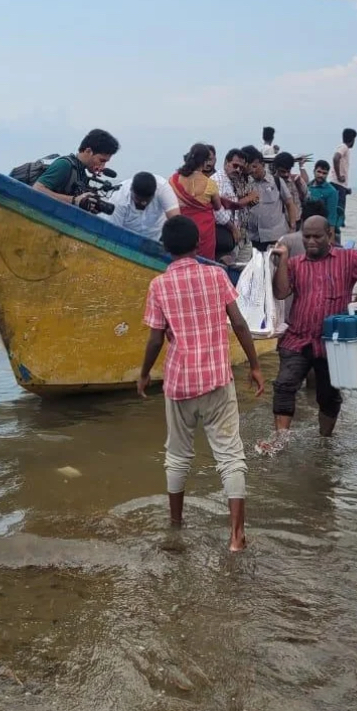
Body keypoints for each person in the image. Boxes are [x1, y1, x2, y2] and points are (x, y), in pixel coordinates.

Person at [139, 216, 266, 552]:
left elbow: (154, 340)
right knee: (230, 456)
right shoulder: (216, 274)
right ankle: (237, 535)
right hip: (216, 381)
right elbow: (238, 323)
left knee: (177, 456)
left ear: (165, 249)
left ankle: (176, 525)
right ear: (198, 245)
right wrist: (254, 365)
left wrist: (144, 373)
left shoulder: (159, 285)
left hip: (179, 383)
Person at [269, 215, 357, 440]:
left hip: (332, 343)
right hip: (297, 338)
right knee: (284, 385)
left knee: (328, 396)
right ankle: (280, 441)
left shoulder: (348, 258)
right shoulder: (295, 264)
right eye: (306, 237)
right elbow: (280, 292)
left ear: (330, 235)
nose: (311, 241)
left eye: (317, 236)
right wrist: (284, 260)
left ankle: (325, 439)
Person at [34, 128, 120, 209]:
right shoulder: (64, 165)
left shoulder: (82, 174)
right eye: (101, 160)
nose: (103, 166)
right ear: (88, 151)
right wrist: (74, 200)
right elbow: (37, 189)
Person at [170, 143, 224, 261]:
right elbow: (218, 206)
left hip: (181, 231)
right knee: (204, 265)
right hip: (203, 234)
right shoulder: (210, 184)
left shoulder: (173, 180)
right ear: (204, 162)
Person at [213, 148, 259, 262]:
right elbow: (217, 211)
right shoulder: (217, 181)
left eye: (241, 168)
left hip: (239, 235)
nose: (238, 170)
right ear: (225, 163)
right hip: (224, 234)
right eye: (235, 166)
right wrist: (233, 228)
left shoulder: (233, 180)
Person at [104, 172, 180, 239]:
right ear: (131, 190)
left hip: (157, 237)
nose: (142, 204)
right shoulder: (118, 198)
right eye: (138, 200)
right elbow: (111, 232)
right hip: (125, 239)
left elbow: (176, 221)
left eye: (147, 201)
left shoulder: (163, 188)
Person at [243, 146, 291, 251]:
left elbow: (290, 204)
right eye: (250, 168)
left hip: (276, 236)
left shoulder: (277, 181)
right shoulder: (245, 184)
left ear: (263, 164)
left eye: (255, 166)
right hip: (253, 237)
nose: (253, 170)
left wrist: (292, 228)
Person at [306, 160, 341, 239]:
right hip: (306, 226)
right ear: (314, 171)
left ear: (327, 174)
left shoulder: (331, 191)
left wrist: (330, 238)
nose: (321, 175)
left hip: (321, 228)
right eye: (319, 172)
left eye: (324, 173)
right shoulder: (307, 187)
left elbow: (332, 216)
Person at [270, 152, 302, 230]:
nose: (286, 174)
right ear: (276, 168)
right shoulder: (270, 183)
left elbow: (306, 197)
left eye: (288, 171)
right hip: (277, 224)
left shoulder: (296, 180)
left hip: (296, 222)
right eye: (283, 171)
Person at [331, 128, 356, 225]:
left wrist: (345, 189)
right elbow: (336, 158)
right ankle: (335, 234)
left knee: (338, 211)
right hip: (338, 184)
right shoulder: (344, 147)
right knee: (339, 213)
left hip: (340, 185)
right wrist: (339, 176)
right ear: (353, 139)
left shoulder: (343, 147)